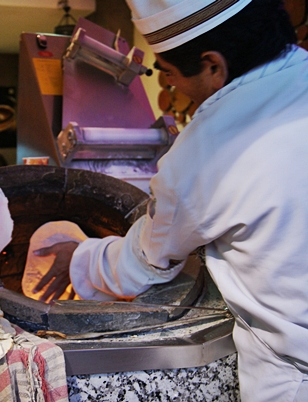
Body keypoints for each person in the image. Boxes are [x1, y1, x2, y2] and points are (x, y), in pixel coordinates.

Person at [33, 1, 308, 401]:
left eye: (169, 73)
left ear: (212, 64)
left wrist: (79, 258)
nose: (172, 86)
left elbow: (145, 263)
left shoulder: (208, 150)